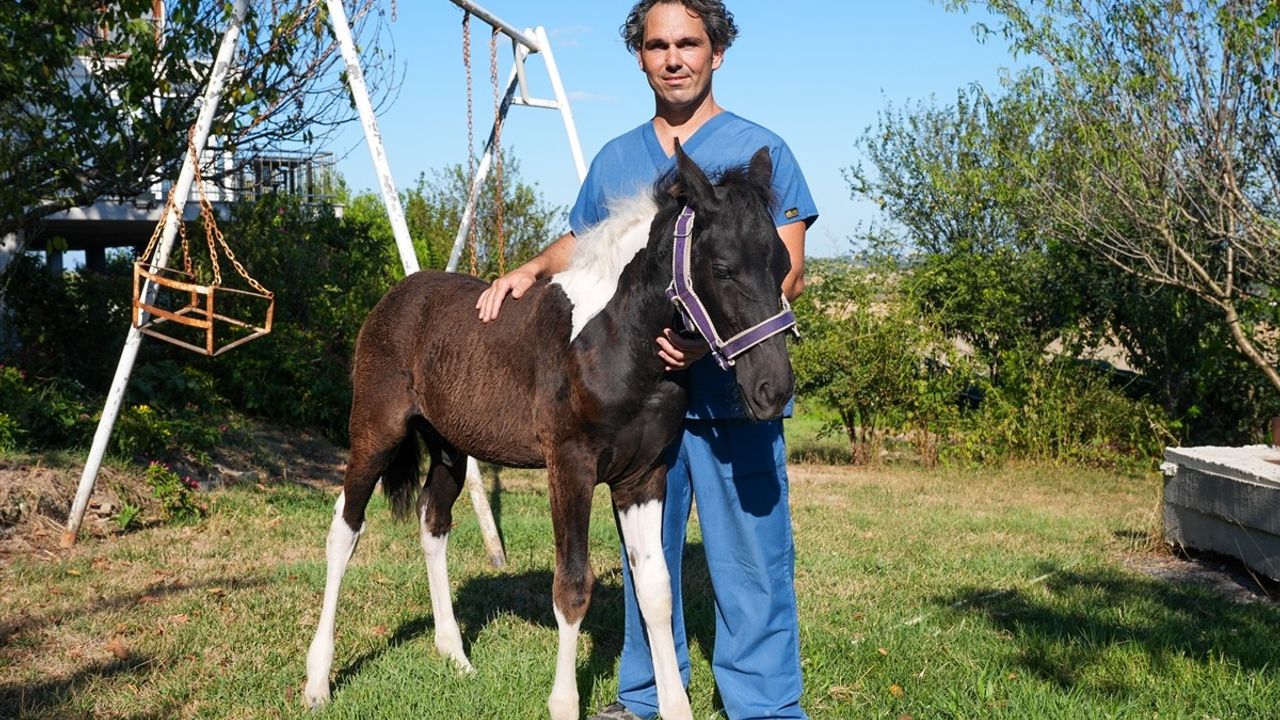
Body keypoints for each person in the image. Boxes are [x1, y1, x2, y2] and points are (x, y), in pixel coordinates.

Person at [476, 1, 816, 717]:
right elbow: (589, 244)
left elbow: (782, 271)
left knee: (751, 560)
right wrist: (530, 271)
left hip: (729, 397)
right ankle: (646, 699)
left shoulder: (762, 149)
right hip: (638, 401)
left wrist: (704, 336)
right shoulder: (618, 157)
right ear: (639, 56)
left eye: (689, 43)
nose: (674, 58)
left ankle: (763, 707)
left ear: (717, 51)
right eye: (658, 45)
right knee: (646, 554)